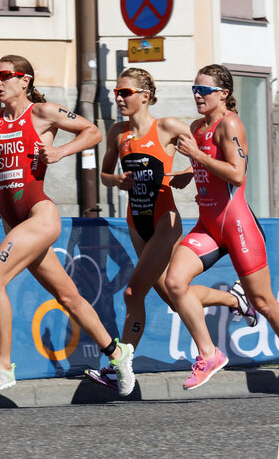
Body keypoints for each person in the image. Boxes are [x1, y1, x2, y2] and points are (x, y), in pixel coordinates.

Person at [0, 54, 135, 396]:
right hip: (12, 221)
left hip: (39, 215)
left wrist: (61, 152)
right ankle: (118, 354)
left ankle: (3, 367)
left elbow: (92, 132)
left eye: (4, 75)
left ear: (24, 80)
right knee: (69, 296)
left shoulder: (43, 113)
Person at [85, 68, 256, 390]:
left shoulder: (169, 127)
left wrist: (190, 173)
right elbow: (106, 173)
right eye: (116, 93)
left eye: (126, 92)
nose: (119, 97)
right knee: (176, 299)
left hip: (166, 221)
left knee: (134, 292)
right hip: (136, 221)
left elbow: (205, 153)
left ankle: (121, 365)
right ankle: (235, 300)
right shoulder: (117, 134)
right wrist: (116, 180)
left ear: (145, 96)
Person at [165, 63, 279, 390]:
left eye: (204, 90)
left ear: (223, 94)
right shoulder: (197, 127)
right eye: (194, 90)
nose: (197, 96)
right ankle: (209, 354)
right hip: (208, 225)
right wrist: (189, 173)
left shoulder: (230, 124)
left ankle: (241, 302)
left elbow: (237, 174)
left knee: (264, 303)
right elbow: (209, 168)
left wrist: (197, 159)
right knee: (175, 282)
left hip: (236, 223)